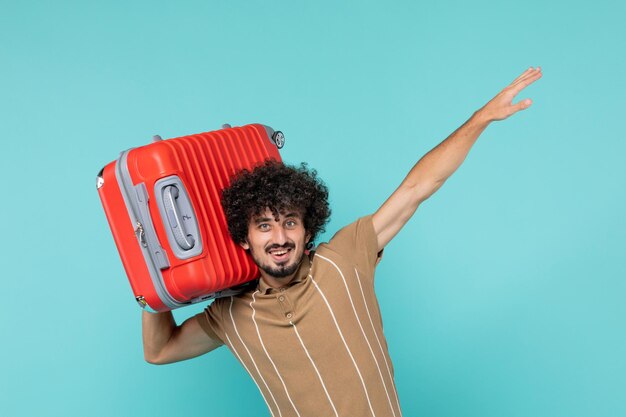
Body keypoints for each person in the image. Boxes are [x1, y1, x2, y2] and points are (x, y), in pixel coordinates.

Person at [142, 67, 543, 417]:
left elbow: (418, 188)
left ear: (307, 230)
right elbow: (159, 351)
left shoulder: (344, 259)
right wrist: (146, 259)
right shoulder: (229, 315)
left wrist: (481, 118)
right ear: (244, 239)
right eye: (263, 226)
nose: (279, 238)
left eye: (290, 223)